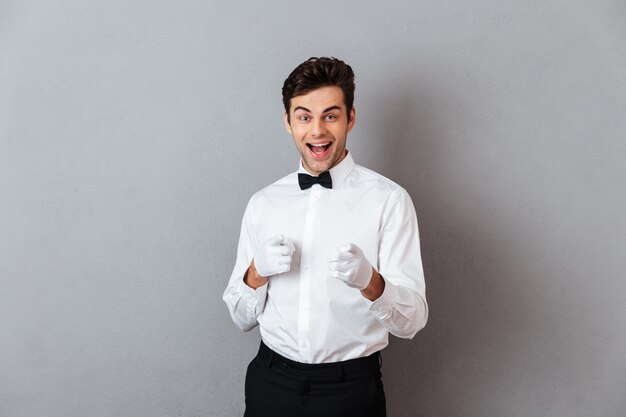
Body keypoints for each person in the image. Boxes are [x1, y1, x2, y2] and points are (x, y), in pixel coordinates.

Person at [223, 56, 428, 417]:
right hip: (271, 383)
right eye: (304, 117)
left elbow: (412, 323)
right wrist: (256, 273)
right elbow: (241, 319)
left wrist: (371, 282)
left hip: (350, 390)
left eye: (330, 116)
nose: (317, 130)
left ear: (350, 118)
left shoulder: (389, 201)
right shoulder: (263, 203)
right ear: (288, 122)